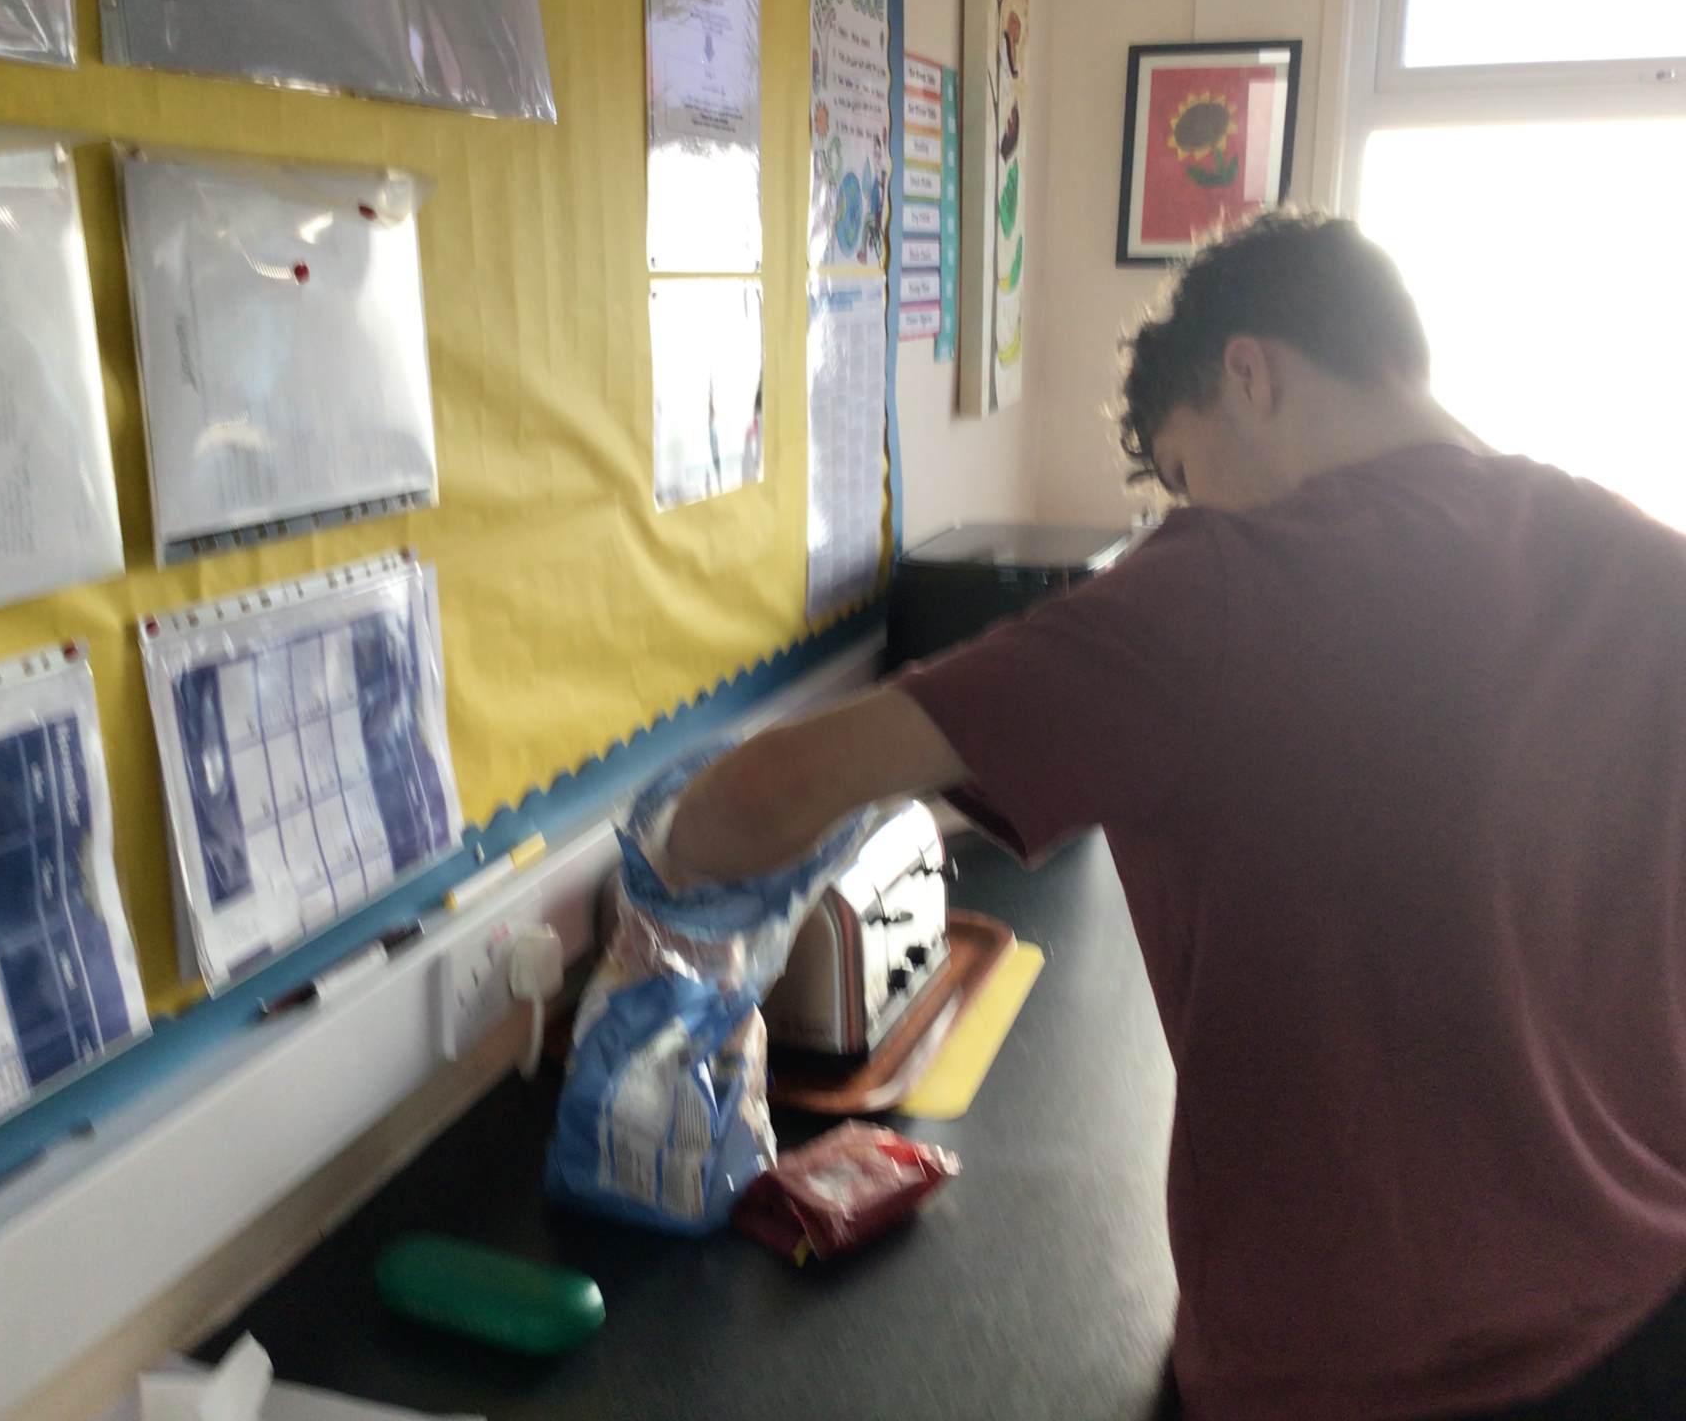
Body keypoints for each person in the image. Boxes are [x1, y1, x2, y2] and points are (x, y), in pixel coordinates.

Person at [663, 213, 1686, 1419]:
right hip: (1646, 1304)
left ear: (1250, 373)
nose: (1191, 515)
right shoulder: (1646, 563)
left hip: (1362, 1369)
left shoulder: (1233, 580)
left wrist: (662, 869)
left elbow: (760, 798)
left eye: (1190, 475)